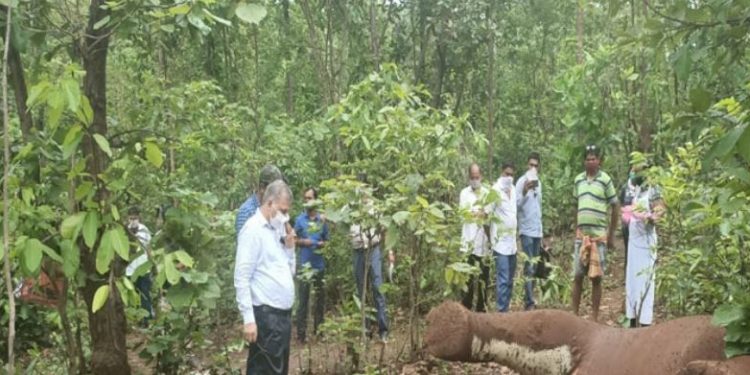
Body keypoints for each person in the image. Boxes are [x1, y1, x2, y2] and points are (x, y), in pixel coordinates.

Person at [234, 180, 296, 375]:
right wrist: (249, 319)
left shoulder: (277, 228)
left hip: (282, 318)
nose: (285, 216)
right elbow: (242, 276)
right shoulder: (252, 230)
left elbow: (288, 270)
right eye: (282, 210)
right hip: (266, 317)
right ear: (269, 203)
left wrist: (290, 247)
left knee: (278, 370)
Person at [571, 145, 619, 322]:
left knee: (596, 277)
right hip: (581, 236)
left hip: (598, 237)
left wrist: (611, 234)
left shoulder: (605, 180)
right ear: (584, 161)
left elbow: (615, 205)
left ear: (599, 161)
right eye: (588, 158)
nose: (590, 161)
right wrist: (575, 227)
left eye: (594, 158)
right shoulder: (578, 180)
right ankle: (574, 316)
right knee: (577, 275)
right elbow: (575, 204)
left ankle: (594, 316)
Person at [625, 165, 665, 328]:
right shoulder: (636, 188)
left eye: (637, 171)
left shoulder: (653, 189)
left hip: (646, 242)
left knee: (645, 281)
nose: (634, 174)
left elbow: (660, 210)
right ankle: (632, 318)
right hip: (634, 241)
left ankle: (645, 321)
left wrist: (650, 217)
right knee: (632, 280)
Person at [350, 195, 391, 342]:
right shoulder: (351, 207)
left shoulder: (377, 209)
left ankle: (383, 330)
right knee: (362, 291)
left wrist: (389, 252)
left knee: (378, 288)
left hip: (373, 249)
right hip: (358, 251)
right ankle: (365, 330)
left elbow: (385, 230)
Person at [294, 187, 330, 343]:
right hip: (304, 266)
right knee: (303, 300)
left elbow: (327, 242)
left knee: (319, 300)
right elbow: (293, 240)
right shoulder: (300, 220)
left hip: (319, 265)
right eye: (305, 198)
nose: (307, 201)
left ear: (316, 200)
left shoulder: (322, 220)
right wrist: (304, 242)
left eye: (310, 198)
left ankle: (319, 331)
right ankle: (301, 334)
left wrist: (320, 244)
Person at [459, 163, 491, 312]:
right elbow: (463, 214)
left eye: (477, 177)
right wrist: (478, 213)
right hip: (468, 243)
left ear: (481, 176)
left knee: (483, 279)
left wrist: (476, 214)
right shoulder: (464, 193)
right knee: (469, 279)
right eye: (472, 178)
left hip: (483, 242)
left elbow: (487, 214)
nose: (474, 180)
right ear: (468, 177)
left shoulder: (486, 193)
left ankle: (481, 308)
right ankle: (466, 308)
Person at [515, 152, 543, 310]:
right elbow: (516, 205)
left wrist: (542, 231)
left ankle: (530, 298)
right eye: (531, 165)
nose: (533, 168)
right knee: (529, 266)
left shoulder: (539, 183)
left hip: (536, 231)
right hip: (526, 230)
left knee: (535, 267)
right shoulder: (521, 182)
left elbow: (539, 208)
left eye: (536, 165)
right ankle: (529, 303)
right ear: (527, 165)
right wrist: (525, 191)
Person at [491, 162, 518, 313]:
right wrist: (491, 240)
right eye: (506, 174)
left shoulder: (513, 190)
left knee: (509, 280)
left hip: (512, 244)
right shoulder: (494, 191)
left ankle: (506, 310)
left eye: (511, 174)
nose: (509, 177)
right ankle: (501, 314)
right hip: (500, 244)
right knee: (502, 279)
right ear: (501, 173)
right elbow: (487, 215)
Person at [235, 165, 284, 236]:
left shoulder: (273, 209)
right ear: (262, 188)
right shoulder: (247, 211)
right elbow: (244, 243)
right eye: (274, 189)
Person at [125, 207, 154, 324]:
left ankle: (146, 319)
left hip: (143, 268)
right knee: (132, 295)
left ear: (139, 217)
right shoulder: (125, 230)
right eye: (131, 218)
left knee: (145, 294)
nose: (133, 220)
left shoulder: (144, 230)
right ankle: (134, 320)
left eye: (135, 218)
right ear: (128, 218)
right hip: (129, 269)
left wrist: (151, 264)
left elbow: (149, 248)